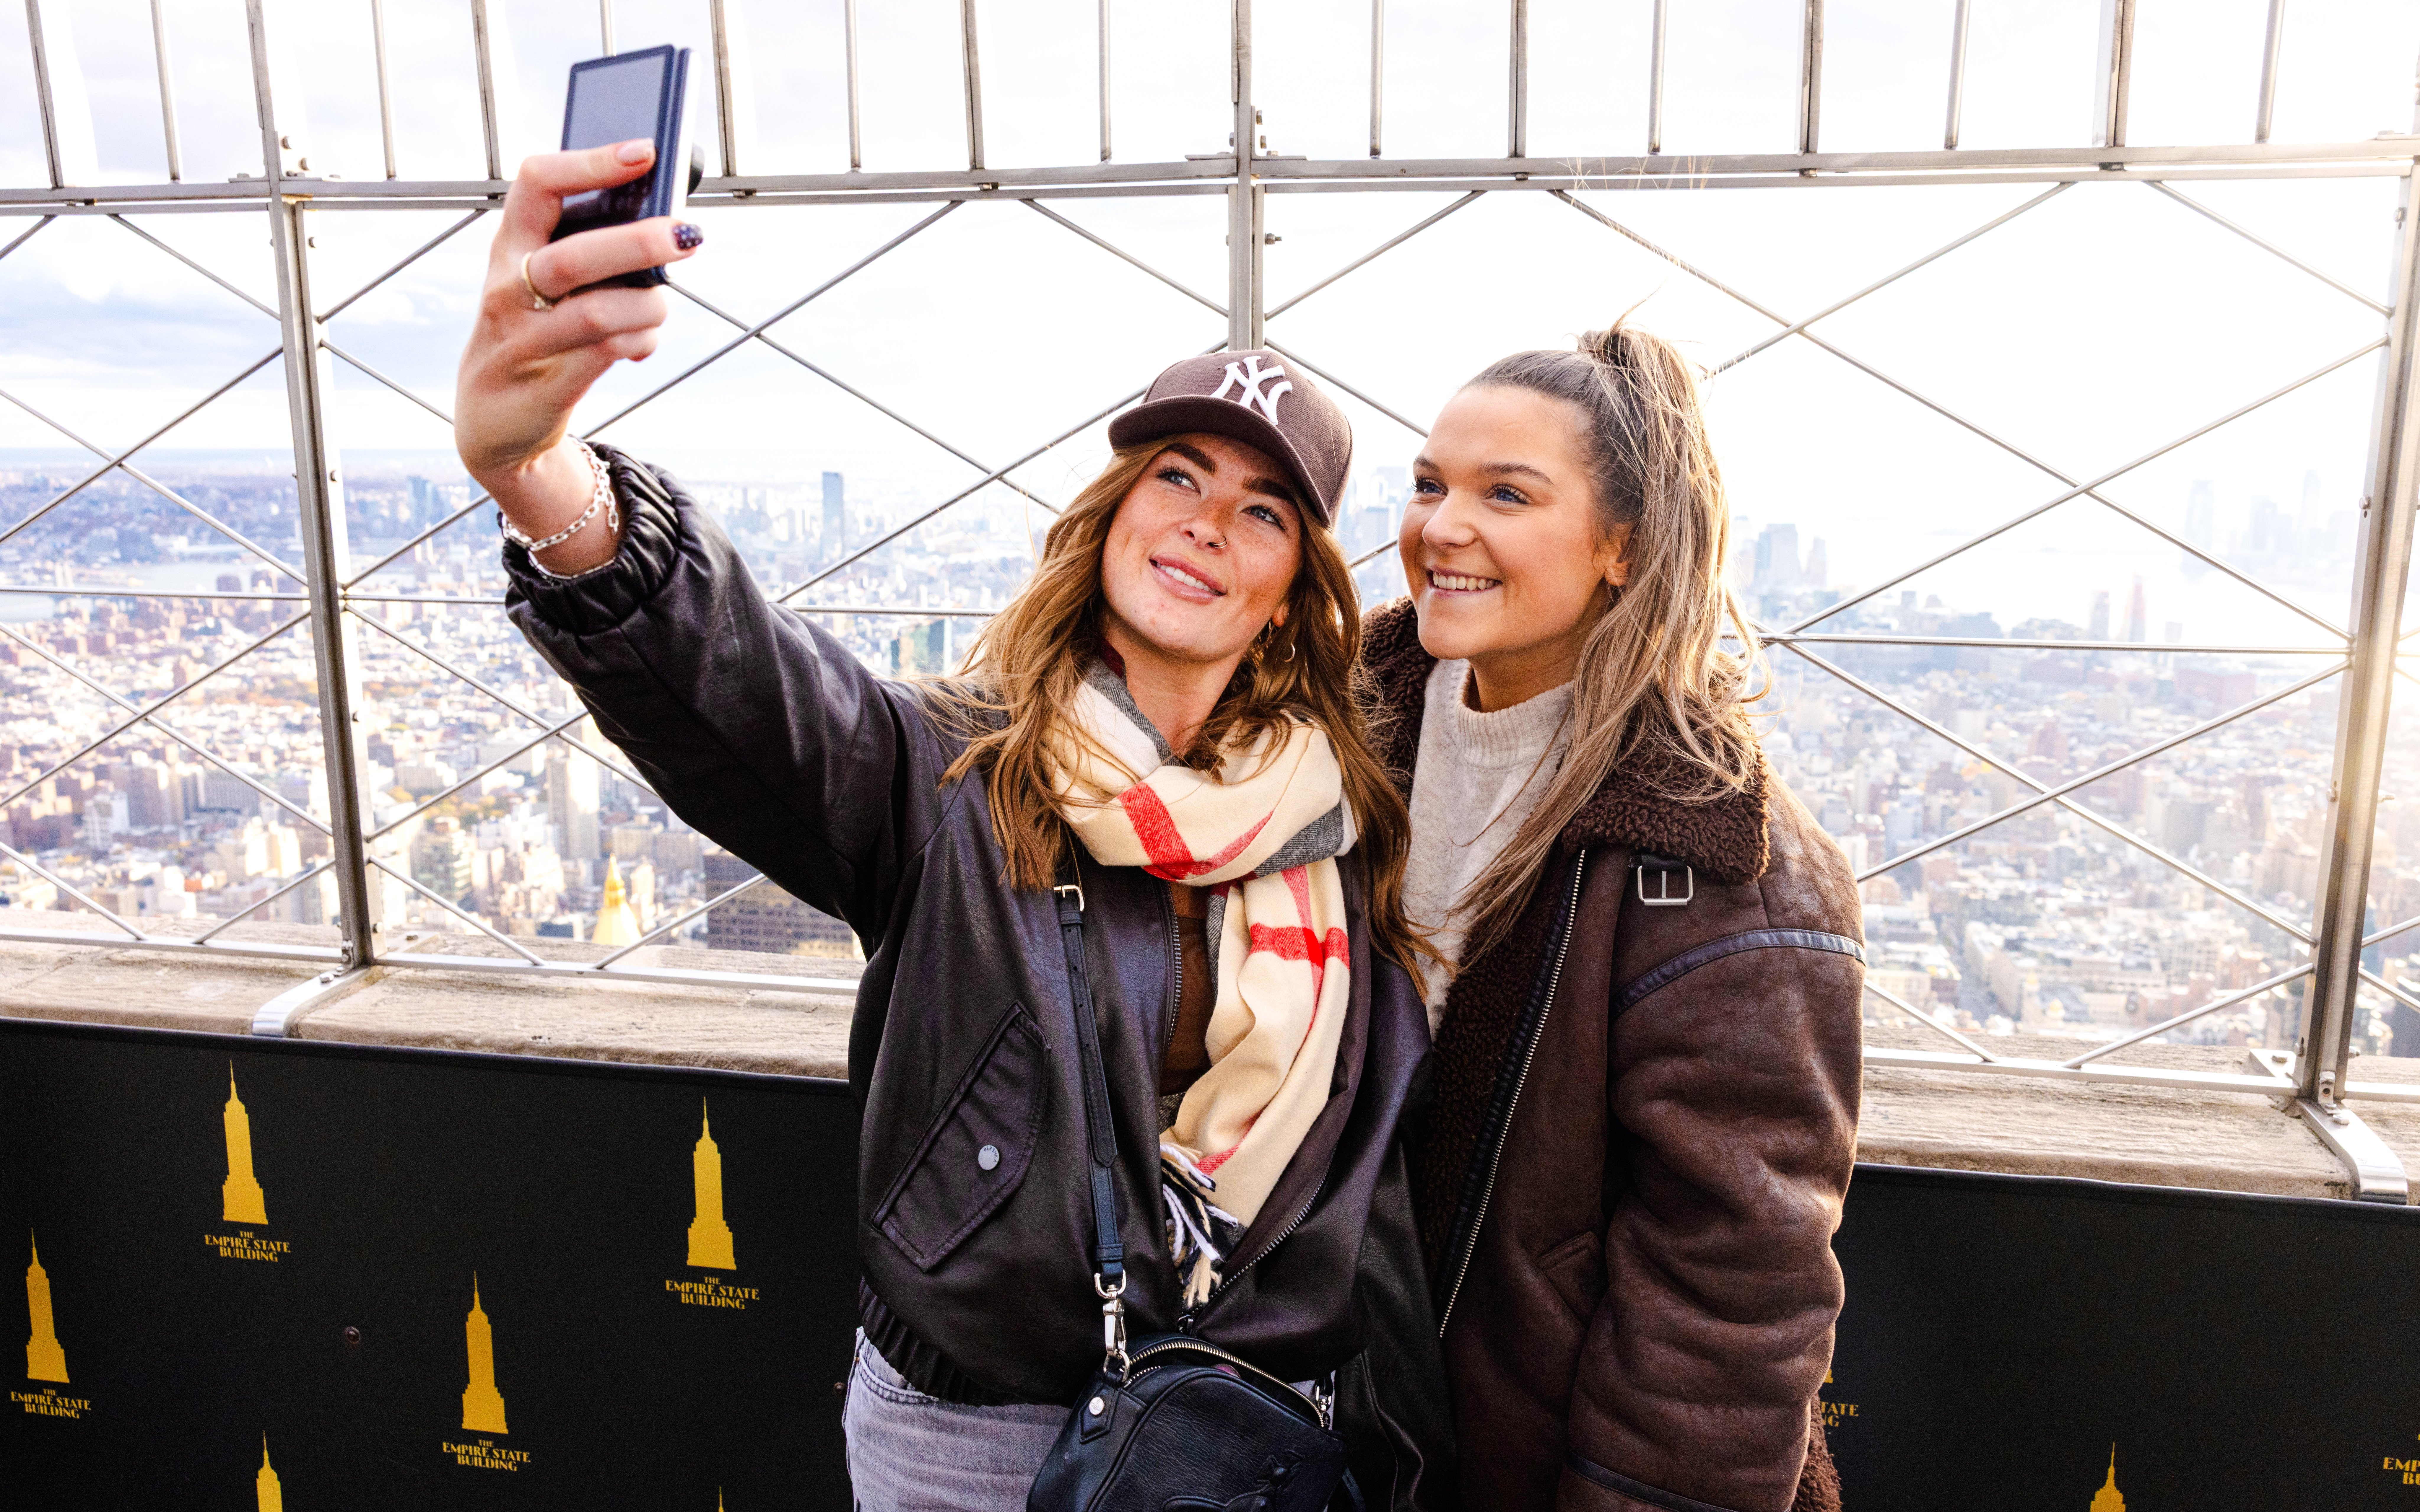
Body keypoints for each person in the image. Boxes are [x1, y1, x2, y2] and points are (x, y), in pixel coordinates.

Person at [452, 140, 1451, 1510]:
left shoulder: (1334, 818)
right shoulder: (951, 773)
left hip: (1235, 1419)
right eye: (1175, 477)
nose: (1208, 522)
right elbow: (743, 688)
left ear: (1289, 586)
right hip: (977, 1426)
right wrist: (541, 471)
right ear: (1107, 519)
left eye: (1261, 508)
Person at [1364, 321, 1863, 1512]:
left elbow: (1726, 1306)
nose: (1441, 527)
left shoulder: (1724, 864)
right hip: (1358, 1427)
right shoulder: (1343, 734)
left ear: (1619, 549)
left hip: (1532, 1463)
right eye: (1428, 484)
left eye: (1506, 493)